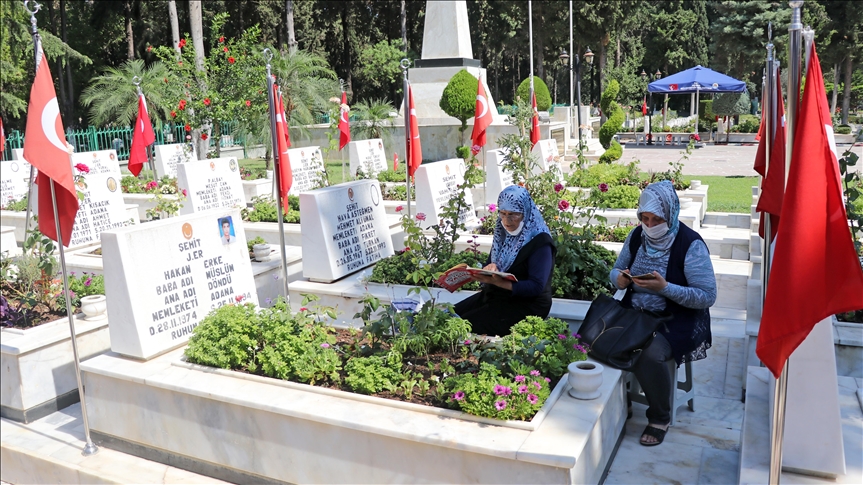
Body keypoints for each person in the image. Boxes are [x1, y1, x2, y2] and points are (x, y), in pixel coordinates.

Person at [609, 181, 716, 446]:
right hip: (636, 311)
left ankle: (659, 417)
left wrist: (666, 288)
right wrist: (620, 280)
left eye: (657, 219)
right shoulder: (637, 236)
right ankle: (621, 402)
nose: (650, 224)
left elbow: (707, 296)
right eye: (644, 218)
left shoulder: (690, 244)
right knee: (601, 338)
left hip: (677, 318)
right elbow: (616, 269)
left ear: (670, 215)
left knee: (651, 354)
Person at [454, 185, 556, 337]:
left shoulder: (540, 242)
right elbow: (491, 264)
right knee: (449, 315)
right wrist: (489, 269)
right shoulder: (504, 233)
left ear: (525, 213)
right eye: (502, 213)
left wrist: (498, 282)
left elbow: (536, 287)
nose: (507, 221)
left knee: (461, 326)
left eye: (513, 215)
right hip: (497, 295)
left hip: (527, 305)